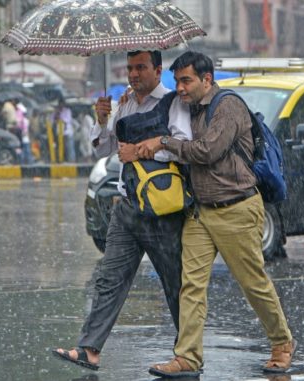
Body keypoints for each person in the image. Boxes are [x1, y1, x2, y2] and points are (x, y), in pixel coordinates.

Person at [137, 51, 295, 377]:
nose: (179, 88)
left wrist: (163, 141)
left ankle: (281, 342)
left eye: (186, 80)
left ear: (207, 79)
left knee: (252, 283)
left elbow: (208, 151)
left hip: (236, 207)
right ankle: (188, 357)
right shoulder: (188, 109)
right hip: (201, 213)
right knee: (191, 286)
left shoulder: (228, 106)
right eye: (177, 81)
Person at [52, 50, 192, 371]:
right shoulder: (124, 104)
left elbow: (184, 147)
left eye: (141, 67)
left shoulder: (173, 103)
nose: (133, 74)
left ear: (158, 70)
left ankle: (187, 354)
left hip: (163, 210)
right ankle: (89, 348)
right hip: (127, 207)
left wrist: (144, 150)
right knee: (109, 279)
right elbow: (103, 149)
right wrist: (102, 121)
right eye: (130, 68)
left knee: (176, 284)